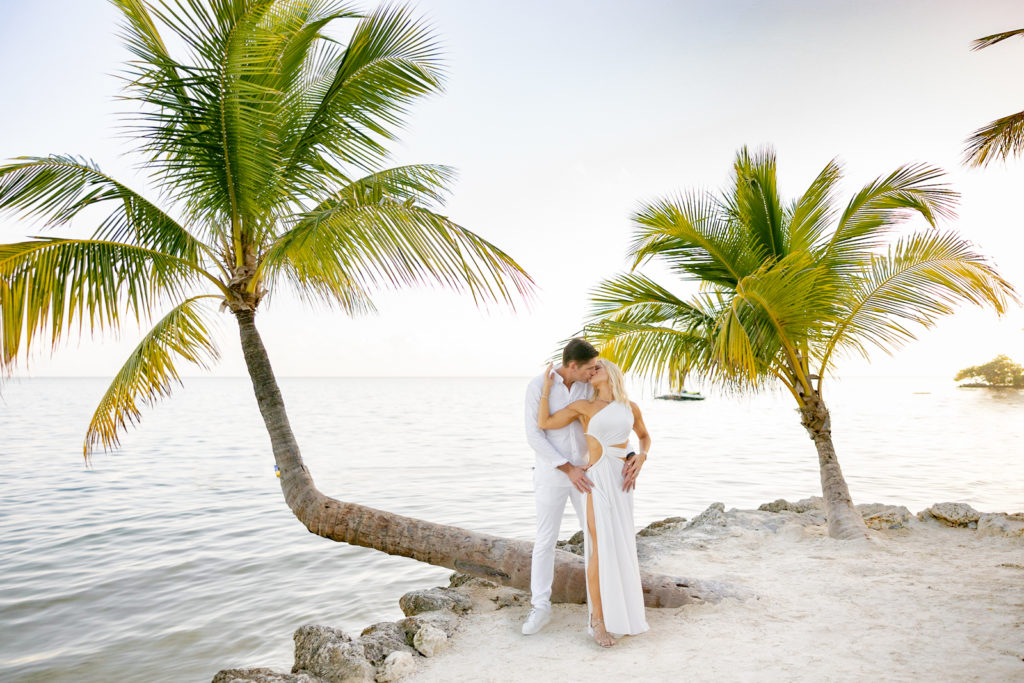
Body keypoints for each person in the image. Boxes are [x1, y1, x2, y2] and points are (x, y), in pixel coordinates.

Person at [538, 358, 651, 647]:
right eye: (590, 369)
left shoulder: (630, 407)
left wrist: (641, 456)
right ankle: (597, 621)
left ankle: (623, 613)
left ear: (611, 373)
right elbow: (544, 423)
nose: (592, 372)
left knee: (622, 543)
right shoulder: (584, 408)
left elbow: (643, 436)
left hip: (623, 481)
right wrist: (546, 388)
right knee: (599, 549)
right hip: (597, 480)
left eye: (597, 368)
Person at [521, 338, 600, 636]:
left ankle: (599, 608)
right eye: (588, 368)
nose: (593, 372)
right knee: (545, 540)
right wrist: (567, 468)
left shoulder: (591, 383)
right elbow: (534, 435)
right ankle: (540, 606)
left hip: (587, 473)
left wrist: (627, 452)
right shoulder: (537, 386)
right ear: (572, 366)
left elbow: (607, 417)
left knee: (595, 536)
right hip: (553, 473)